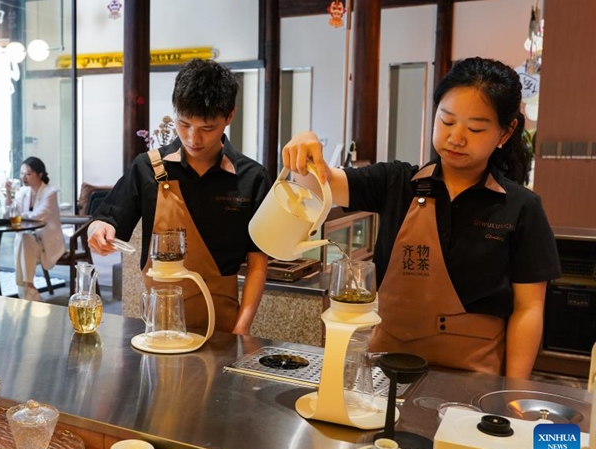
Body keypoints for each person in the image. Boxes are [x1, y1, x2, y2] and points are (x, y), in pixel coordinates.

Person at [283, 57, 561, 379]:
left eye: (475, 128)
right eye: (446, 121)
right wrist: (304, 153)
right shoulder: (397, 182)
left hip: (472, 378)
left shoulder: (522, 207)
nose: (456, 137)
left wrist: (512, 391)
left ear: (506, 131)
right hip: (386, 372)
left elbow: (529, 309)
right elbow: (319, 185)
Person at [87, 59, 271, 335]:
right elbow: (107, 219)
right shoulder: (148, 168)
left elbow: (258, 261)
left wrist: (241, 330)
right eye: (184, 124)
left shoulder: (251, 178)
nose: (193, 138)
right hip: (158, 325)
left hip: (223, 326)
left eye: (207, 128)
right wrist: (99, 229)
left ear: (229, 116)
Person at [4, 157, 64, 301]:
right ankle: (29, 287)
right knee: (23, 238)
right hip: (30, 241)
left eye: (28, 173)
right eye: (22, 173)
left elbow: (40, 216)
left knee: (23, 239)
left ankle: (25, 290)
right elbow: (9, 214)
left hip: (47, 241)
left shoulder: (50, 192)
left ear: (40, 174)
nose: (24, 177)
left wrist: (20, 216)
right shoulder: (23, 192)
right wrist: (7, 193)